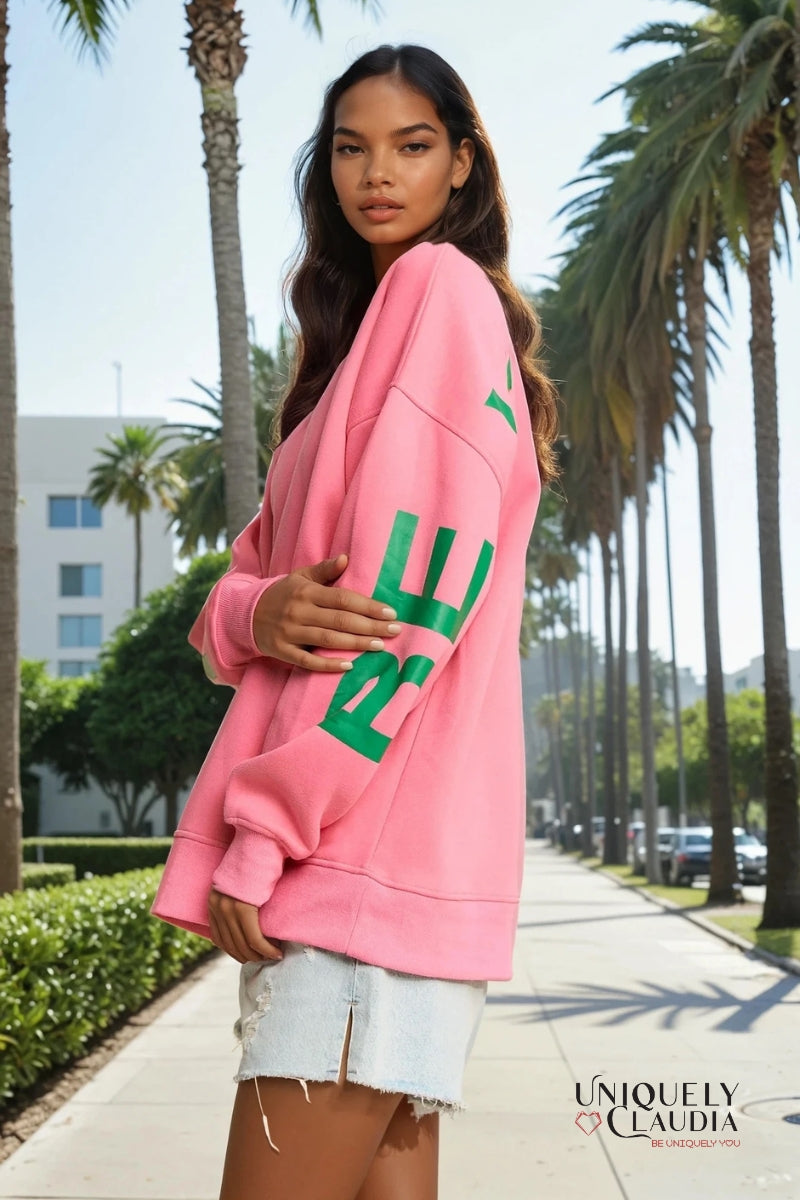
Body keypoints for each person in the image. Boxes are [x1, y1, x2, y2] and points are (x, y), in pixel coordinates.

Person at [150, 41, 558, 1200]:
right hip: (391, 874)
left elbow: (404, 608)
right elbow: (255, 592)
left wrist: (269, 825)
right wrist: (256, 607)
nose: (376, 173)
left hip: (349, 875)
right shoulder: (358, 346)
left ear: (462, 165)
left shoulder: (436, 294)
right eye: (349, 147)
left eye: (412, 145)